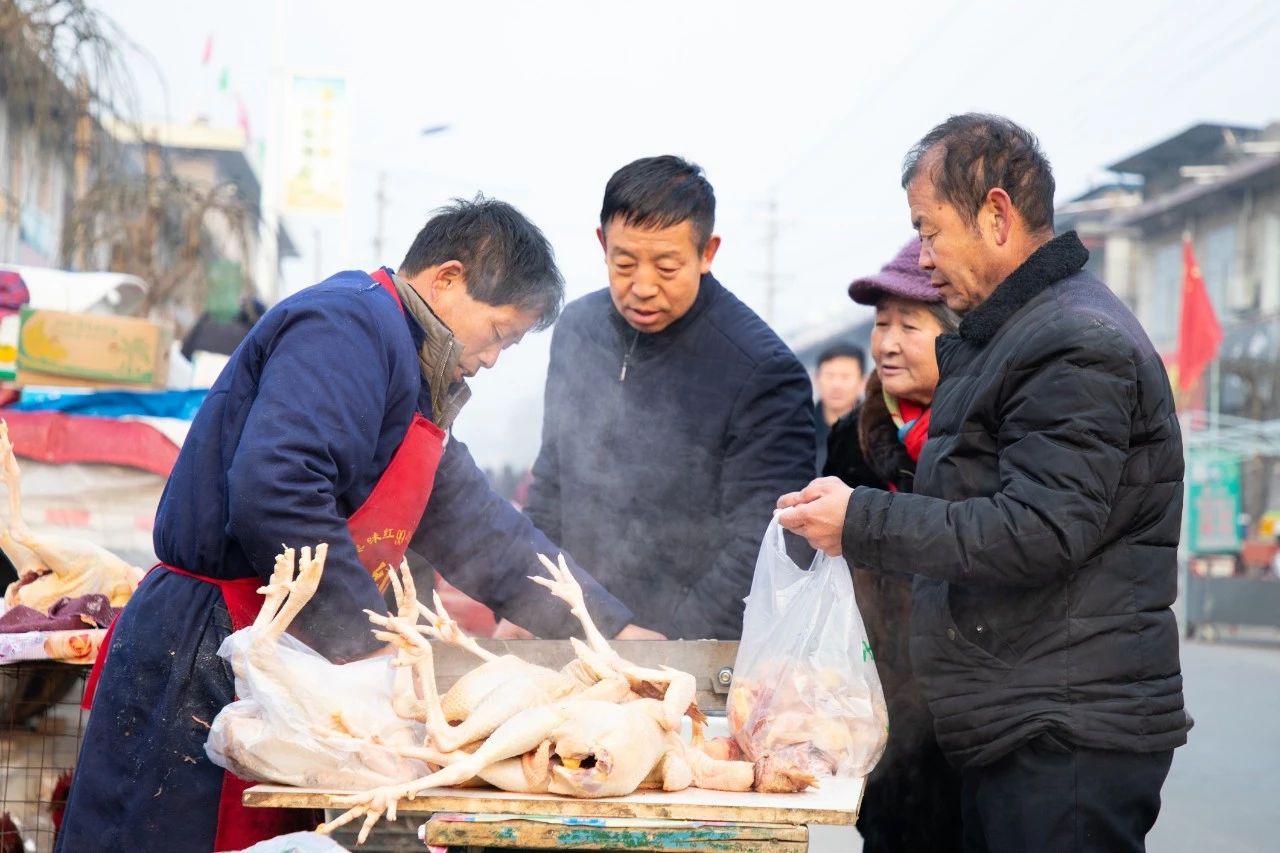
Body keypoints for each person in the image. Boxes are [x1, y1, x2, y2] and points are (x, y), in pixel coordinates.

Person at [57, 197, 656, 853]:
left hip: (280, 655)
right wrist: (370, 647)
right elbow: (276, 489)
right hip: (204, 649)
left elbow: (488, 535)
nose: (491, 359)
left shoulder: (410, 383)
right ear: (448, 279)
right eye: (499, 333)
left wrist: (612, 629)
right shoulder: (348, 326)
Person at [779, 114, 1191, 852]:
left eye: (930, 231)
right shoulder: (1015, 333)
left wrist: (862, 520)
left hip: (1062, 734)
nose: (924, 257)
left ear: (996, 214)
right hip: (1019, 719)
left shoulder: (1072, 341)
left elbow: (1038, 529)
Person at [519, 155, 814, 640]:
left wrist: (674, 642)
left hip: (687, 646)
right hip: (578, 625)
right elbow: (552, 479)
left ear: (707, 252)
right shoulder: (578, 329)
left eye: (667, 266)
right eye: (625, 263)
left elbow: (765, 541)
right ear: (602, 243)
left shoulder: (759, 369)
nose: (642, 287)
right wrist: (531, 599)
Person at [823, 238, 962, 853]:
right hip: (877, 702)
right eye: (882, 324)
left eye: (911, 325)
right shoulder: (850, 442)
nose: (888, 342)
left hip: (968, 707)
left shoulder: (983, 437)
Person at [812, 341, 865, 473]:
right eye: (830, 376)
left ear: (862, 382)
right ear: (817, 379)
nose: (836, 385)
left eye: (845, 377)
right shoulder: (801, 431)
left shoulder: (876, 429)